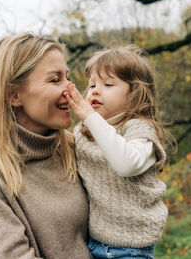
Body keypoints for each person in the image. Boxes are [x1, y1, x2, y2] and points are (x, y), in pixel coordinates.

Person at [0, 32, 91, 259]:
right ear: (14, 95)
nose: (70, 90)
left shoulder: (75, 148)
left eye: (67, 77)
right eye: (54, 80)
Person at [65, 45, 174, 259]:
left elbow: (126, 164)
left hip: (130, 250)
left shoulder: (140, 130)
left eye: (108, 84)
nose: (95, 90)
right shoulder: (85, 130)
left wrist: (90, 118)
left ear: (134, 93)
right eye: (92, 84)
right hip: (93, 243)